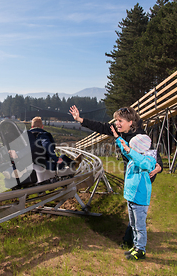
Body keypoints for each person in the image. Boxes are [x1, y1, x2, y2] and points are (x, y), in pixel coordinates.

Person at [69, 105, 163, 248]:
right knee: (132, 209)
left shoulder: (139, 136)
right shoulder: (118, 130)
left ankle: (131, 242)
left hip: (142, 177)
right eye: (116, 120)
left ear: (130, 122)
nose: (117, 123)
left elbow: (153, 154)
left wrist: (159, 167)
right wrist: (80, 119)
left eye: (120, 121)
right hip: (130, 173)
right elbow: (100, 127)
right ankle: (130, 240)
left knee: (136, 210)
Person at [111, 131, 156, 260]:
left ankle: (141, 250)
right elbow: (126, 151)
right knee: (133, 225)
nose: (129, 150)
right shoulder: (133, 158)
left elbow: (142, 162)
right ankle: (136, 246)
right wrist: (118, 138)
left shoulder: (148, 160)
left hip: (140, 199)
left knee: (140, 226)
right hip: (131, 198)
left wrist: (130, 151)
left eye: (132, 148)